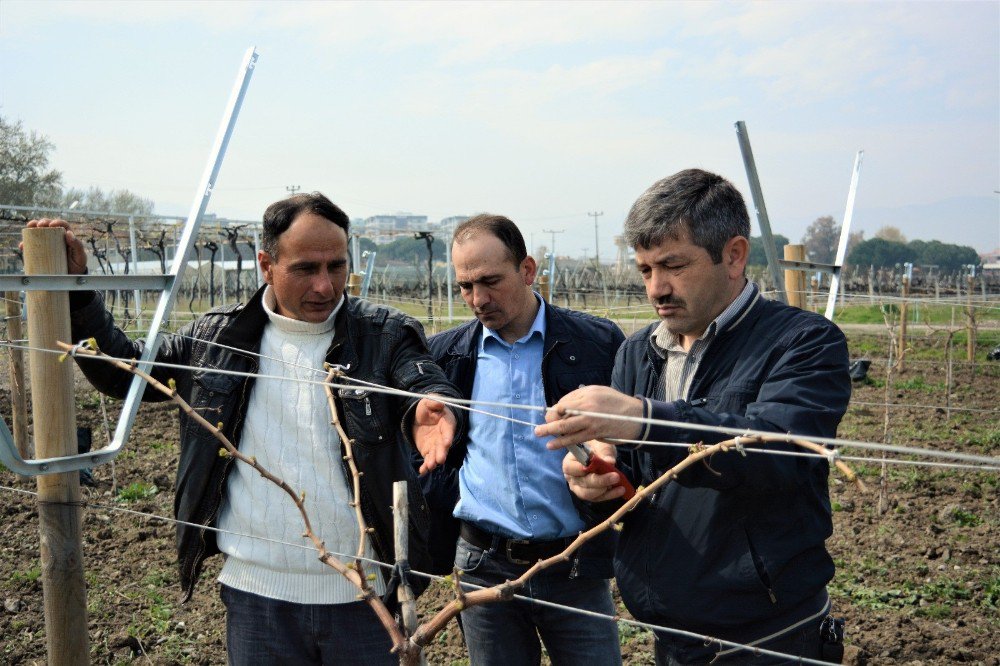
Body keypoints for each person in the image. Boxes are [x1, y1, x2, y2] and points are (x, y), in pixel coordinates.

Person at [29, 192, 463, 666]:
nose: (325, 286)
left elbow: (422, 378)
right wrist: (78, 292)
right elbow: (123, 371)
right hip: (257, 599)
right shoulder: (215, 340)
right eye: (305, 269)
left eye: (336, 267)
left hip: (365, 600)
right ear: (266, 263)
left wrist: (431, 406)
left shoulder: (384, 334)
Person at [535, 169, 851, 665]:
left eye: (673, 265)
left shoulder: (804, 342)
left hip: (771, 640)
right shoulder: (637, 353)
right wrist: (597, 482)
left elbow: (776, 454)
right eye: (644, 270)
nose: (656, 288)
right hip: (671, 638)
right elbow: (639, 484)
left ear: (733, 255)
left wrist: (642, 420)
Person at [421, 214, 625, 665]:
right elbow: (432, 452)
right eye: (465, 286)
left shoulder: (596, 343)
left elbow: (628, 441)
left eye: (490, 281)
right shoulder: (445, 355)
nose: (478, 298)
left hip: (572, 562)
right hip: (482, 565)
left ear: (528, 270)